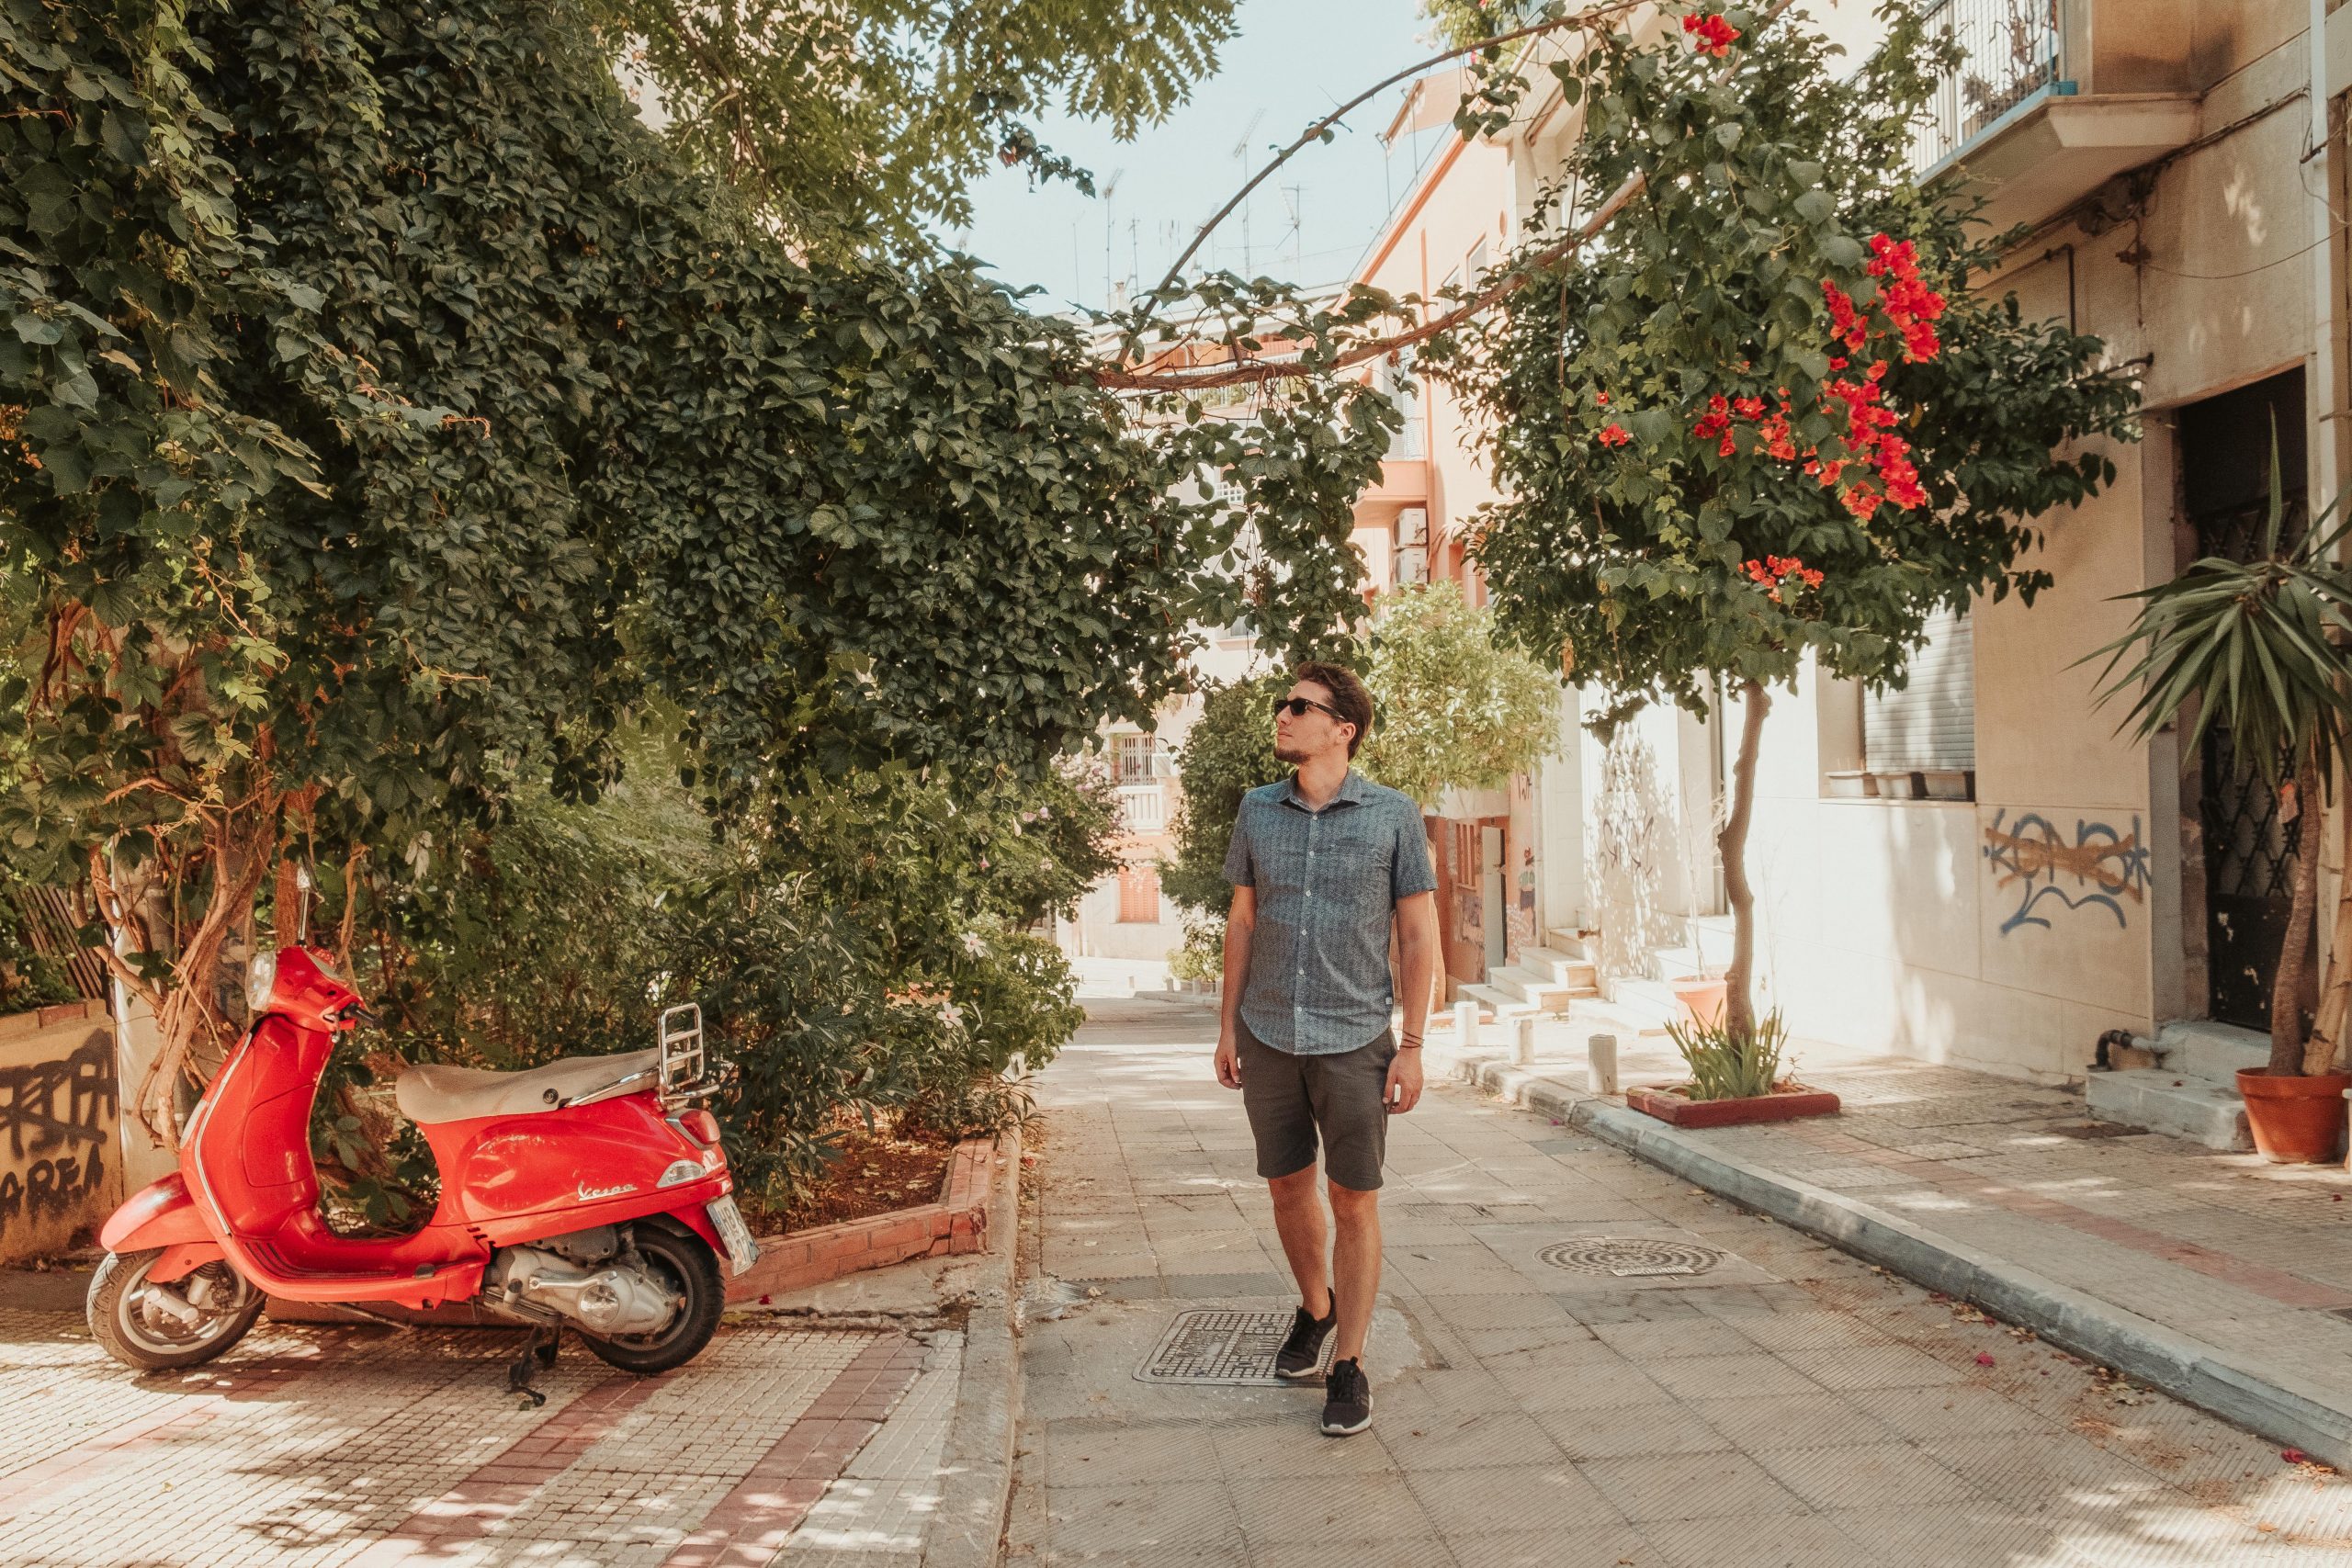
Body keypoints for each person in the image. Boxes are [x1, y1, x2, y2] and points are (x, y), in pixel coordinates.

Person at [1215, 662, 1441, 1437]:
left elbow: (1417, 934)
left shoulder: (1392, 815)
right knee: (1285, 1188)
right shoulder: (1257, 810)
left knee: (1354, 1200)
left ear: (1342, 728)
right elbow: (1241, 922)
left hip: (1354, 1037)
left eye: (1299, 706)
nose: (1281, 715)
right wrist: (1225, 1026)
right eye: (1282, 703)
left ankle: (1349, 1362)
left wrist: (1412, 1045)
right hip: (1269, 1032)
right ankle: (1316, 1307)